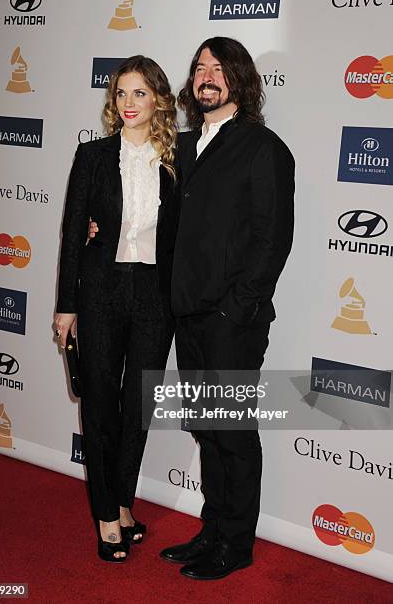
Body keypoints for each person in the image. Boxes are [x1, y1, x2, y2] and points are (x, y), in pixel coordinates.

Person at [88, 36, 295, 579]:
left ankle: (237, 542)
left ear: (240, 80)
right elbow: (133, 197)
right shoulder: (179, 147)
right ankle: (213, 530)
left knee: (232, 432)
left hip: (232, 321)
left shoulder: (262, 147)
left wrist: (236, 308)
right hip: (185, 315)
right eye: (200, 66)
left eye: (219, 67)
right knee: (207, 429)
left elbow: (272, 241)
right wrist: (98, 227)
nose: (207, 75)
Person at [54, 55, 178, 563]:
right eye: (122, 94)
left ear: (159, 101)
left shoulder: (178, 159)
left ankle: (124, 500)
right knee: (101, 405)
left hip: (155, 297)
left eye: (140, 93)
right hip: (101, 292)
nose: (129, 103)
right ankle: (106, 514)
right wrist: (67, 306)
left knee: (138, 409)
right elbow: (72, 231)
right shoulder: (93, 156)